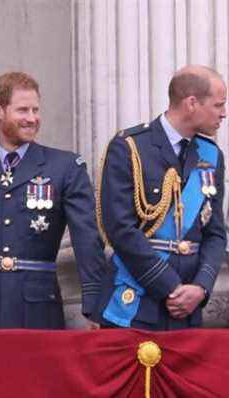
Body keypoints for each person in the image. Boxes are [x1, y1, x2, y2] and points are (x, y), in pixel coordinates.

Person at [0, 71, 105, 329]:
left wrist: (95, 303)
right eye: (23, 110)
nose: (32, 119)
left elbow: (87, 239)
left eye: (36, 110)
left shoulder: (65, 167)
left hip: (37, 309)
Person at [95, 65, 227, 330]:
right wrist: (171, 287)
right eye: (218, 105)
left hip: (188, 309)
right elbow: (120, 228)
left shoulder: (211, 155)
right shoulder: (130, 147)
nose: (224, 113)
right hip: (136, 303)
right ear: (191, 103)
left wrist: (200, 288)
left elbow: (215, 233)